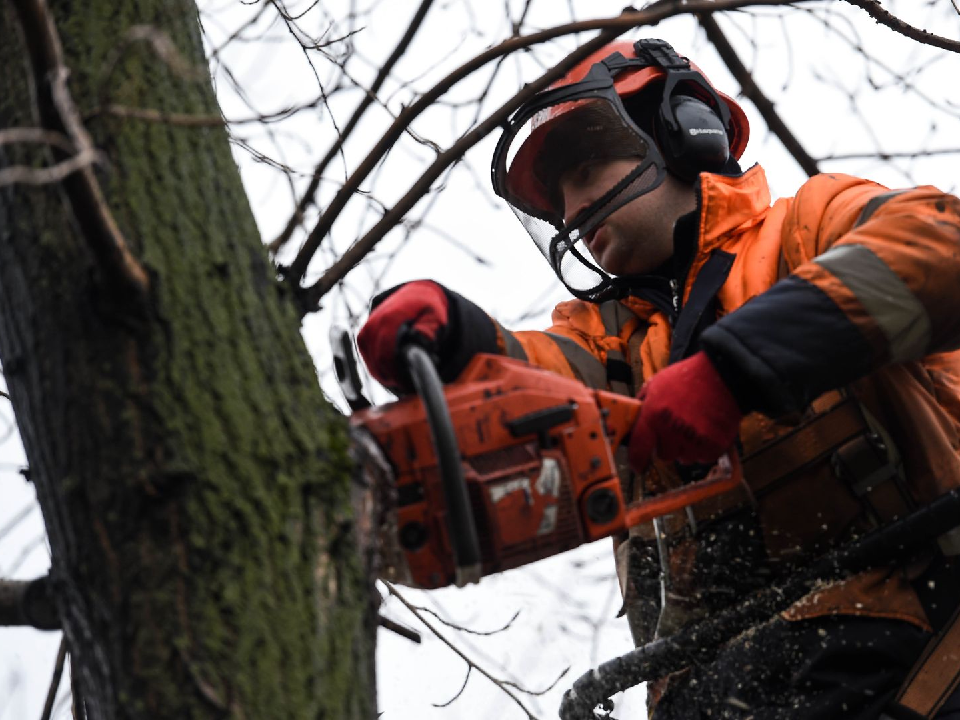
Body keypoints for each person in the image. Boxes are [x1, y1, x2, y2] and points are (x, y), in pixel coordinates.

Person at [357, 38, 960, 719]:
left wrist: (737, 367)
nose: (574, 209)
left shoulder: (805, 229)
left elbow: (939, 246)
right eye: (557, 198)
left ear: (681, 128)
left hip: (920, 647)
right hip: (725, 693)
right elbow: (541, 389)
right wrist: (454, 341)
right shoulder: (620, 346)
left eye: (584, 168)